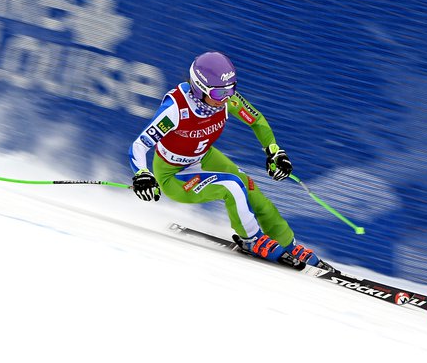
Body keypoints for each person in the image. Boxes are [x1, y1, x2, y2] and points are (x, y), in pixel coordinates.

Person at [128, 51, 333, 270]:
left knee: (251, 190)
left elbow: (257, 120)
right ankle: (251, 239)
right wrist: (142, 175)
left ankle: (287, 243)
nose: (226, 98)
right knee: (231, 186)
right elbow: (139, 146)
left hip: (204, 157)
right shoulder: (176, 110)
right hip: (173, 174)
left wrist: (274, 152)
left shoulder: (227, 101)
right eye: (218, 94)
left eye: (231, 89)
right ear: (199, 88)